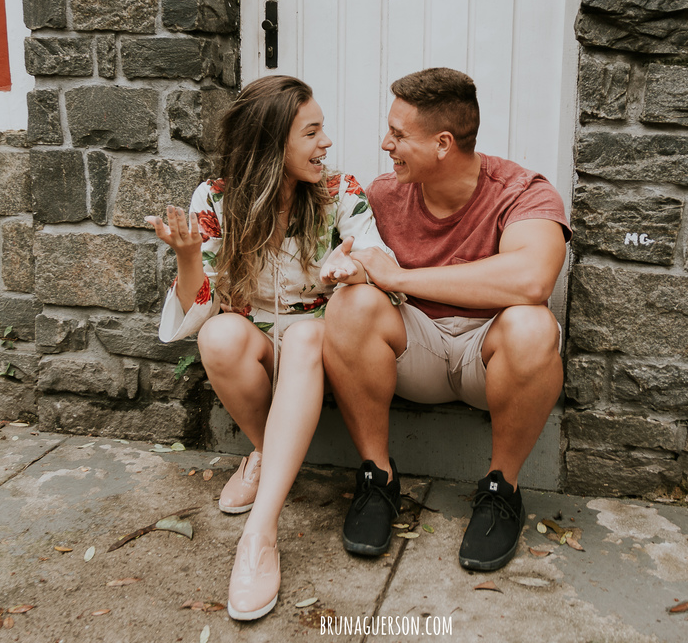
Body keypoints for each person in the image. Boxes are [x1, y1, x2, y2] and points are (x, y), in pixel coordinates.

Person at [149, 75, 398, 621]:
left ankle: (259, 536)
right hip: (257, 338)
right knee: (217, 336)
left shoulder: (340, 191)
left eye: (322, 129)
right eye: (311, 132)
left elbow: (379, 259)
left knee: (306, 333)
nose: (325, 142)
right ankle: (267, 452)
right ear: (270, 142)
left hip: (320, 342)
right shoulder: (215, 199)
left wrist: (352, 268)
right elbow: (200, 305)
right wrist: (188, 257)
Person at [322, 67, 570, 573]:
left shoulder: (523, 191)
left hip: (488, 354)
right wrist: (352, 271)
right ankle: (377, 478)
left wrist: (401, 278)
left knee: (533, 324)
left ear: (442, 144)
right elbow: (368, 270)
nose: (385, 144)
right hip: (418, 349)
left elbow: (532, 281)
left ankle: (502, 489)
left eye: (398, 134)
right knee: (350, 306)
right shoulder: (384, 195)